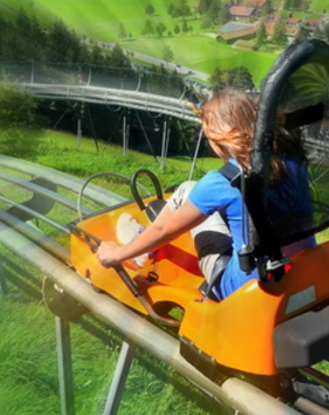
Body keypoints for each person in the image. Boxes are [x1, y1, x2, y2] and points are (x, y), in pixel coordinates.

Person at [96, 88, 313, 300]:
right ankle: (144, 241)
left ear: (219, 138)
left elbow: (166, 229)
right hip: (299, 269)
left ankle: (142, 248)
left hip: (242, 289)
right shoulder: (291, 161)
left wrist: (115, 255)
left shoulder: (221, 182)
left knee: (186, 190)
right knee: (198, 192)